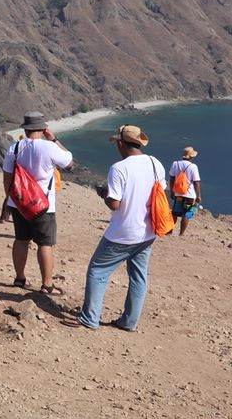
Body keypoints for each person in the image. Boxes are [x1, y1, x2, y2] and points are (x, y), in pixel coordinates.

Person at [64, 125, 163, 331]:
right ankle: (129, 322)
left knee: (97, 270)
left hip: (123, 232)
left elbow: (114, 204)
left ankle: (90, 318)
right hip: (148, 231)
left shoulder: (119, 168)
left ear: (120, 143)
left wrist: (103, 193)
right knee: (138, 275)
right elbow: (158, 191)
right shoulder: (156, 164)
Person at [2, 112, 73, 294]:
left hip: (19, 203)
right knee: (44, 243)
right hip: (43, 204)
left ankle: (19, 279)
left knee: (21, 239)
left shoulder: (14, 148)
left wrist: (11, 200)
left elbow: (7, 177)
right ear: (43, 129)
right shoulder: (49, 148)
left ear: (25, 129)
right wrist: (54, 139)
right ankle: (47, 284)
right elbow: (70, 163)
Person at [169, 146, 203, 236]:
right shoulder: (193, 167)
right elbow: (196, 183)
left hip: (178, 194)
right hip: (190, 196)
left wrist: (172, 191)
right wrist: (198, 196)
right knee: (187, 214)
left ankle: (169, 230)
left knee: (175, 213)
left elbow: (172, 179)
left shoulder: (175, 164)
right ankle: (181, 233)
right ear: (191, 156)